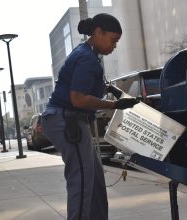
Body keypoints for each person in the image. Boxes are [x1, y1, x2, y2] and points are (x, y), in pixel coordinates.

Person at [41, 13, 139, 220]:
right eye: (113, 40)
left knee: (94, 179)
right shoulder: (87, 58)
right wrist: (114, 104)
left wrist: (111, 88)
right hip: (66, 119)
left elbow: (84, 86)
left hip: (66, 118)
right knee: (82, 181)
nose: (114, 46)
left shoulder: (87, 53)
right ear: (97, 33)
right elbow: (78, 98)